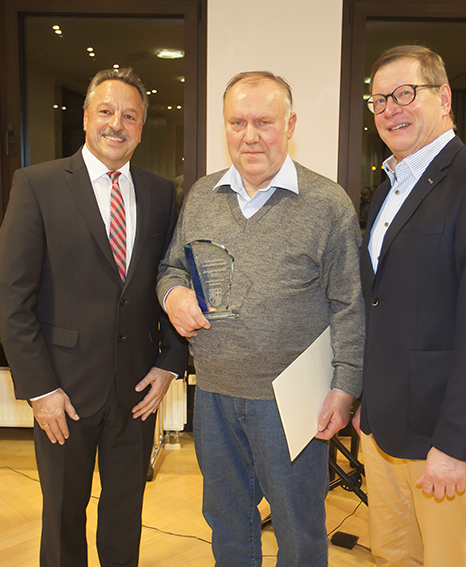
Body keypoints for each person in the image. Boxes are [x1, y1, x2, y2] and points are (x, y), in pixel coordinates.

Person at [157, 71, 364, 567]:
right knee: (227, 521)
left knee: (299, 527)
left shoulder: (327, 204)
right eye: (237, 122)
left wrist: (346, 386)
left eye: (264, 122)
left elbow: (350, 304)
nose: (250, 136)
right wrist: (173, 296)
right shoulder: (202, 196)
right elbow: (170, 269)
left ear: (290, 124)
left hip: (293, 400)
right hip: (213, 392)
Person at [0, 68, 188, 567]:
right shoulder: (36, 185)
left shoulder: (163, 192)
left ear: (141, 128)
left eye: (129, 115)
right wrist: (39, 389)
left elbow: (173, 279)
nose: (116, 124)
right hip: (63, 391)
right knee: (62, 513)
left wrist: (169, 363)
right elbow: (12, 297)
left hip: (137, 390)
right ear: (84, 118)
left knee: (125, 512)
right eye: (106, 111)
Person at [354, 45, 466, 567]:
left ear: (444, 96)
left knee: (449, 558)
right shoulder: (386, 191)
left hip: (441, 430)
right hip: (384, 425)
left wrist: (456, 443)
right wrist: (369, 398)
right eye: (379, 99)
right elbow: (383, 305)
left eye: (405, 93)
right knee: (392, 554)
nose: (391, 108)